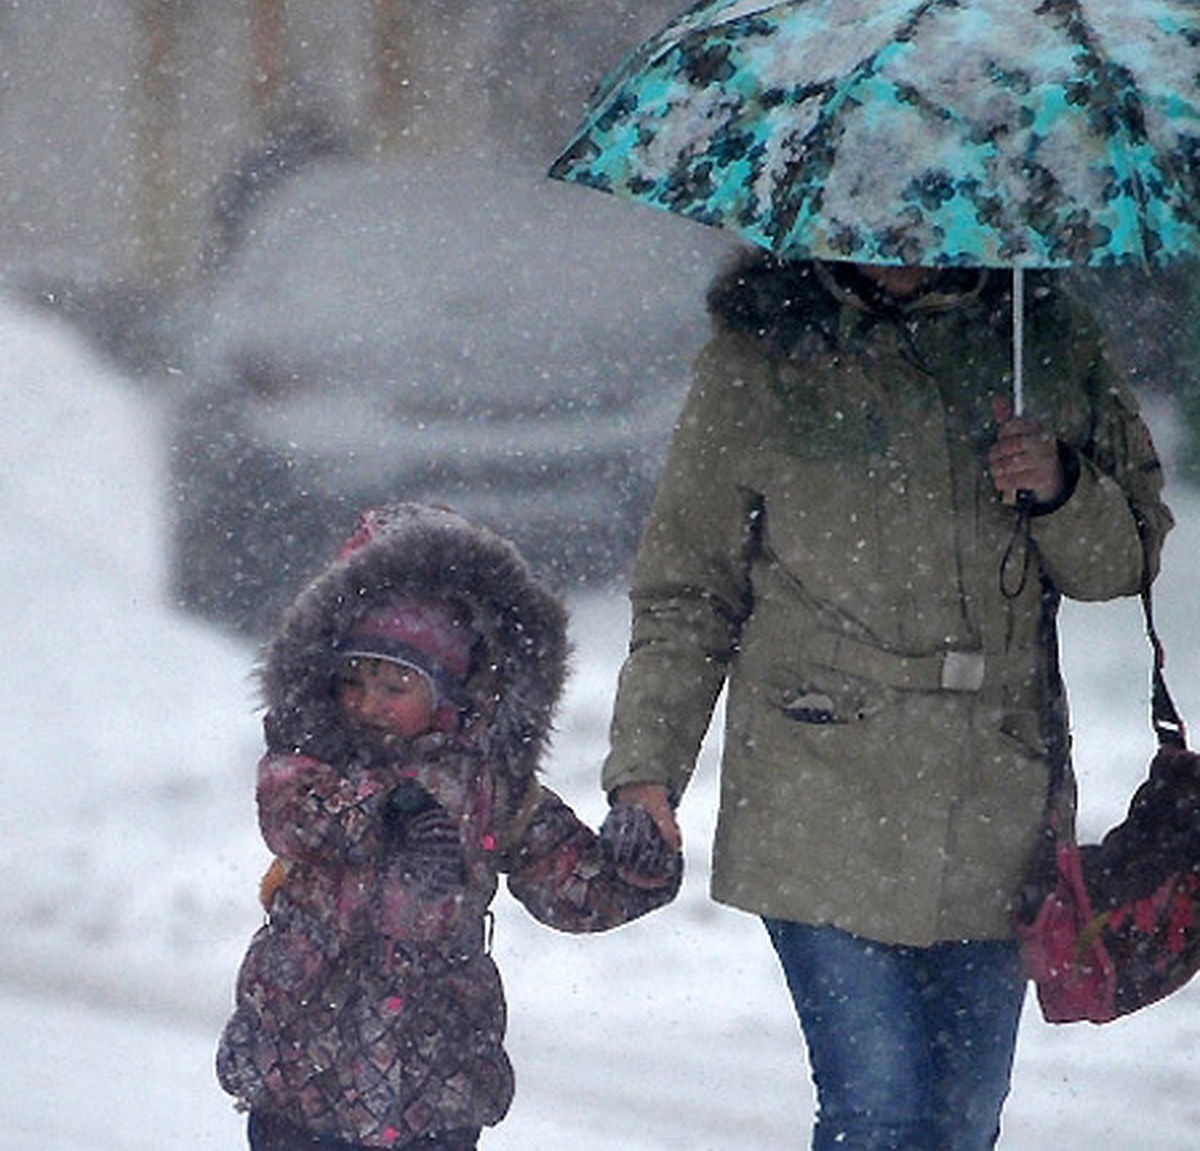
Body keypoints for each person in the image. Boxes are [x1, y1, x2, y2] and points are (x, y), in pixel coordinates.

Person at [600, 252, 1173, 1150]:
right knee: (876, 1109)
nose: (901, 243)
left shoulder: (1043, 337)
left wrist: (1061, 486)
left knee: (961, 1120)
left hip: (999, 799)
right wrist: (646, 774)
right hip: (819, 790)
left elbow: (1125, 561)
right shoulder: (763, 355)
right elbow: (688, 590)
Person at [217, 501, 679, 1151]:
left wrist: (637, 864)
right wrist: (385, 808)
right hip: (306, 1064)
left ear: (449, 692)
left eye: (394, 687)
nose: (367, 703)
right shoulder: (310, 757)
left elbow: (568, 887)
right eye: (354, 681)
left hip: (433, 1077)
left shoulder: (489, 786)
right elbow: (294, 817)